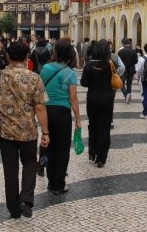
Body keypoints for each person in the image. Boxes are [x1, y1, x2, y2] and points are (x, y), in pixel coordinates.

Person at [0, 40, 50, 219]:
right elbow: (40, 108)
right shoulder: (34, 78)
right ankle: (26, 199)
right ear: (27, 57)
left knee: (10, 169)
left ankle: (14, 209)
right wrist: (45, 133)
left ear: (8, 56)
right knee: (30, 163)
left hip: (5, 133)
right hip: (28, 131)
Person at [41, 39, 81, 195]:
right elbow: (73, 98)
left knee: (49, 145)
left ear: (55, 52)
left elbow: (40, 90)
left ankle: (51, 181)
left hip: (46, 111)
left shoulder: (45, 68)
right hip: (63, 112)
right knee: (63, 149)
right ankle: (59, 184)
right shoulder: (70, 73)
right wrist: (78, 119)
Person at [81, 39, 117, 167]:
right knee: (105, 128)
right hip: (107, 99)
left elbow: (83, 83)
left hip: (93, 99)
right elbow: (116, 79)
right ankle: (102, 158)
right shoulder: (111, 64)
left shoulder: (89, 65)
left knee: (93, 126)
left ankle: (93, 152)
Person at [118, 38, 138, 104]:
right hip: (131, 70)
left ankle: (126, 94)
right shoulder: (134, 51)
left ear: (123, 43)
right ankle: (128, 95)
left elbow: (119, 62)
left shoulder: (120, 51)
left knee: (121, 83)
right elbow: (136, 61)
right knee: (129, 84)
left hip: (123, 70)